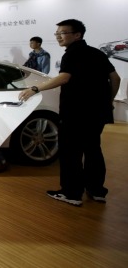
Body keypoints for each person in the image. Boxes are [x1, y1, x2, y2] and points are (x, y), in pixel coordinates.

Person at [18, 19, 120, 207]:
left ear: (77, 35)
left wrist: (35, 88)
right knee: (93, 150)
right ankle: (97, 191)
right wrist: (108, 101)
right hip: (97, 112)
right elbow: (115, 78)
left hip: (77, 112)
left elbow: (64, 77)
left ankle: (71, 193)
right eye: (57, 33)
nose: (58, 36)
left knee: (71, 153)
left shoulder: (72, 54)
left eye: (62, 33)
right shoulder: (97, 53)